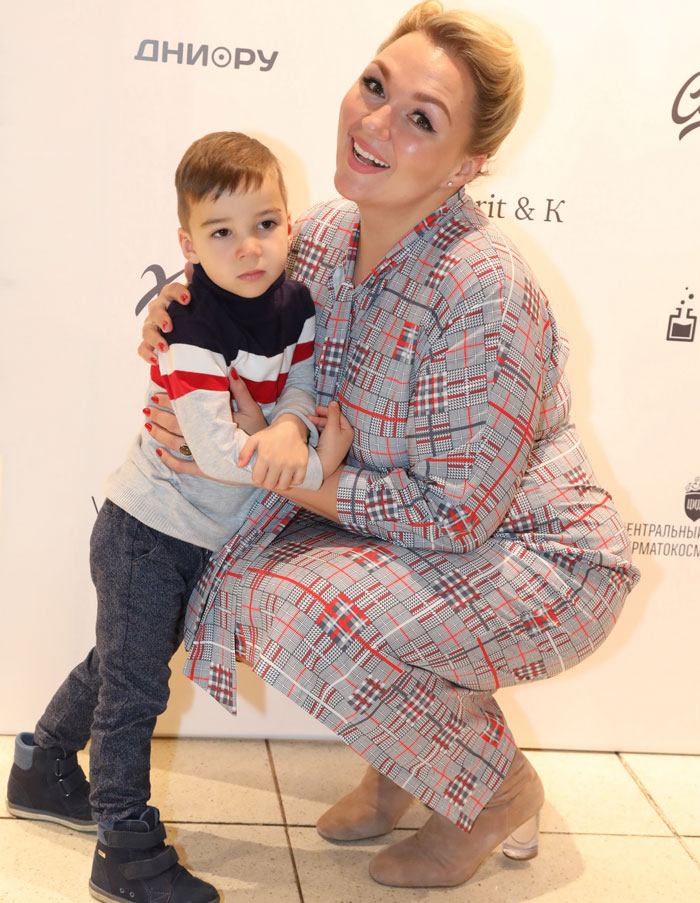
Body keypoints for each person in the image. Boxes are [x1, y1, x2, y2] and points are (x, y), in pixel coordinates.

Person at [140, 0, 640, 891]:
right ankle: (409, 764)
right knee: (240, 567)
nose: (375, 123)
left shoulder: (482, 287)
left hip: (536, 556)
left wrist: (277, 470)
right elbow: (226, 300)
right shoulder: (323, 234)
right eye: (375, 86)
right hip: (405, 527)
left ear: (468, 165)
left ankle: (493, 792)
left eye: (421, 119)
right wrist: (171, 319)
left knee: (290, 600)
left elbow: (454, 517)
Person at [6, 131, 353, 903]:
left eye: (266, 224)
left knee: (119, 662)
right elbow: (218, 453)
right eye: (221, 232)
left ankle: (40, 764)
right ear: (187, 245)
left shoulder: (296, 304)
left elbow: (298, 387)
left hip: (200, 535)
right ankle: (124, 847)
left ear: (289, 222)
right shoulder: (190, 324)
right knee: (133, 693)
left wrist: (290, 426)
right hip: (147, 532)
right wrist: (317, 464)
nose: (249, 248)